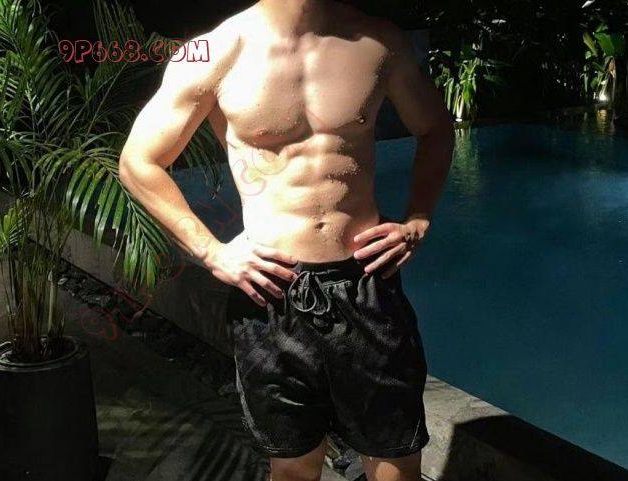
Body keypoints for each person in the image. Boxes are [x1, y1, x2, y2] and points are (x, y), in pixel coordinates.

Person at [118, 0, 455, 479]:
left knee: (395, 459)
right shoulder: (214, 51)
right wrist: (211, 251)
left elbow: (435, 128)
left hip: (366, 281)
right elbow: (138, 162)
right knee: (293, 467)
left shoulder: (379, 42)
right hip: (273, 289)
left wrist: (419, 217)